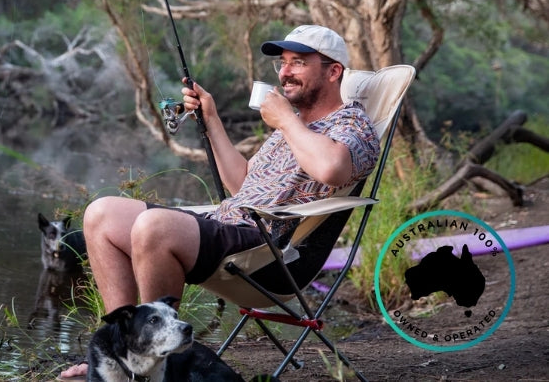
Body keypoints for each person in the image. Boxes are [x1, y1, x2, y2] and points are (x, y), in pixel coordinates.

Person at [60, 25, 379, 380]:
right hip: (230, 225)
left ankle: (156, 367)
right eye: (283, 63)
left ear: (333, 71)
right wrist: (210, 119)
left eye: (298, 63)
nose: (285, 72)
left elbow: (332, 169)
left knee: (154, 228)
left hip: (271, 250)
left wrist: (286, 121)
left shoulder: (353, 124)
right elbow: (243, 183)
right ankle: (122, 357)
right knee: (100, 214)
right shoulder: (294, 126)